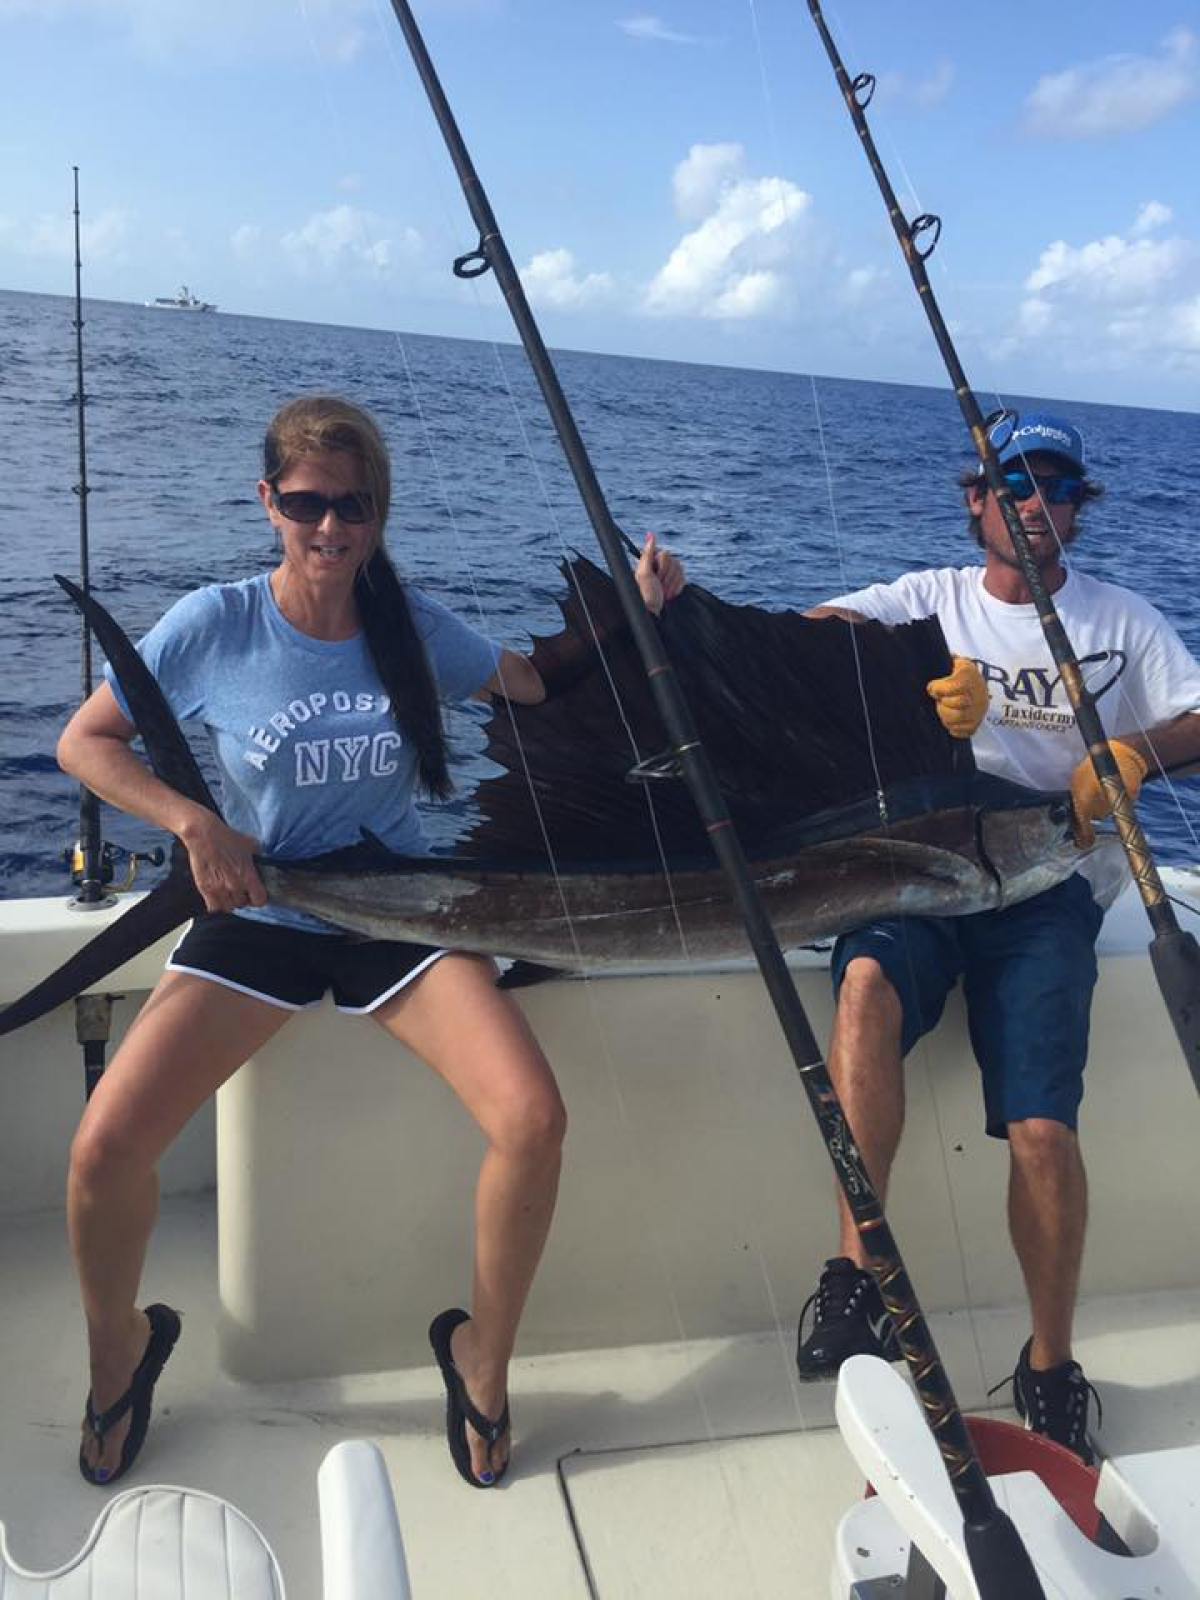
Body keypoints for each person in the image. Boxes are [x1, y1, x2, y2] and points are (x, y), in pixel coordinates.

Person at [56, 393, 684, 1491]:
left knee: (533, 1118)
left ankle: (483, 1360)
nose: (331, 527)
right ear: (269, 502)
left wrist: (633, 611)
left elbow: (536, 682)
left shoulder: (414, 625)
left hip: (397, 914)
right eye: (308, 504)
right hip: (260, 917)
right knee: (102, 1150)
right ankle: (122, 1356)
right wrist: (194, 823)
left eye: (353, 506)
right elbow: (87, 742)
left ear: (378, 512)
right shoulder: (216, 623)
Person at [794, 411, 1200, 1461]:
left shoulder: (1123, 620)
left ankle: (1050, 1364)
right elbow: (805, 637)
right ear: (975, 499)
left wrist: (1131, 752)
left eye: (1055, 486)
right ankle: (855, 1276)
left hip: (1049, 891)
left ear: (1078, 508)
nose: (1034, 503)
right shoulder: (928, 601)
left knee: (1044, 1132)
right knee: (864, 986)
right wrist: (905, 679)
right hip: (928, 880)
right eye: (1013, 483)